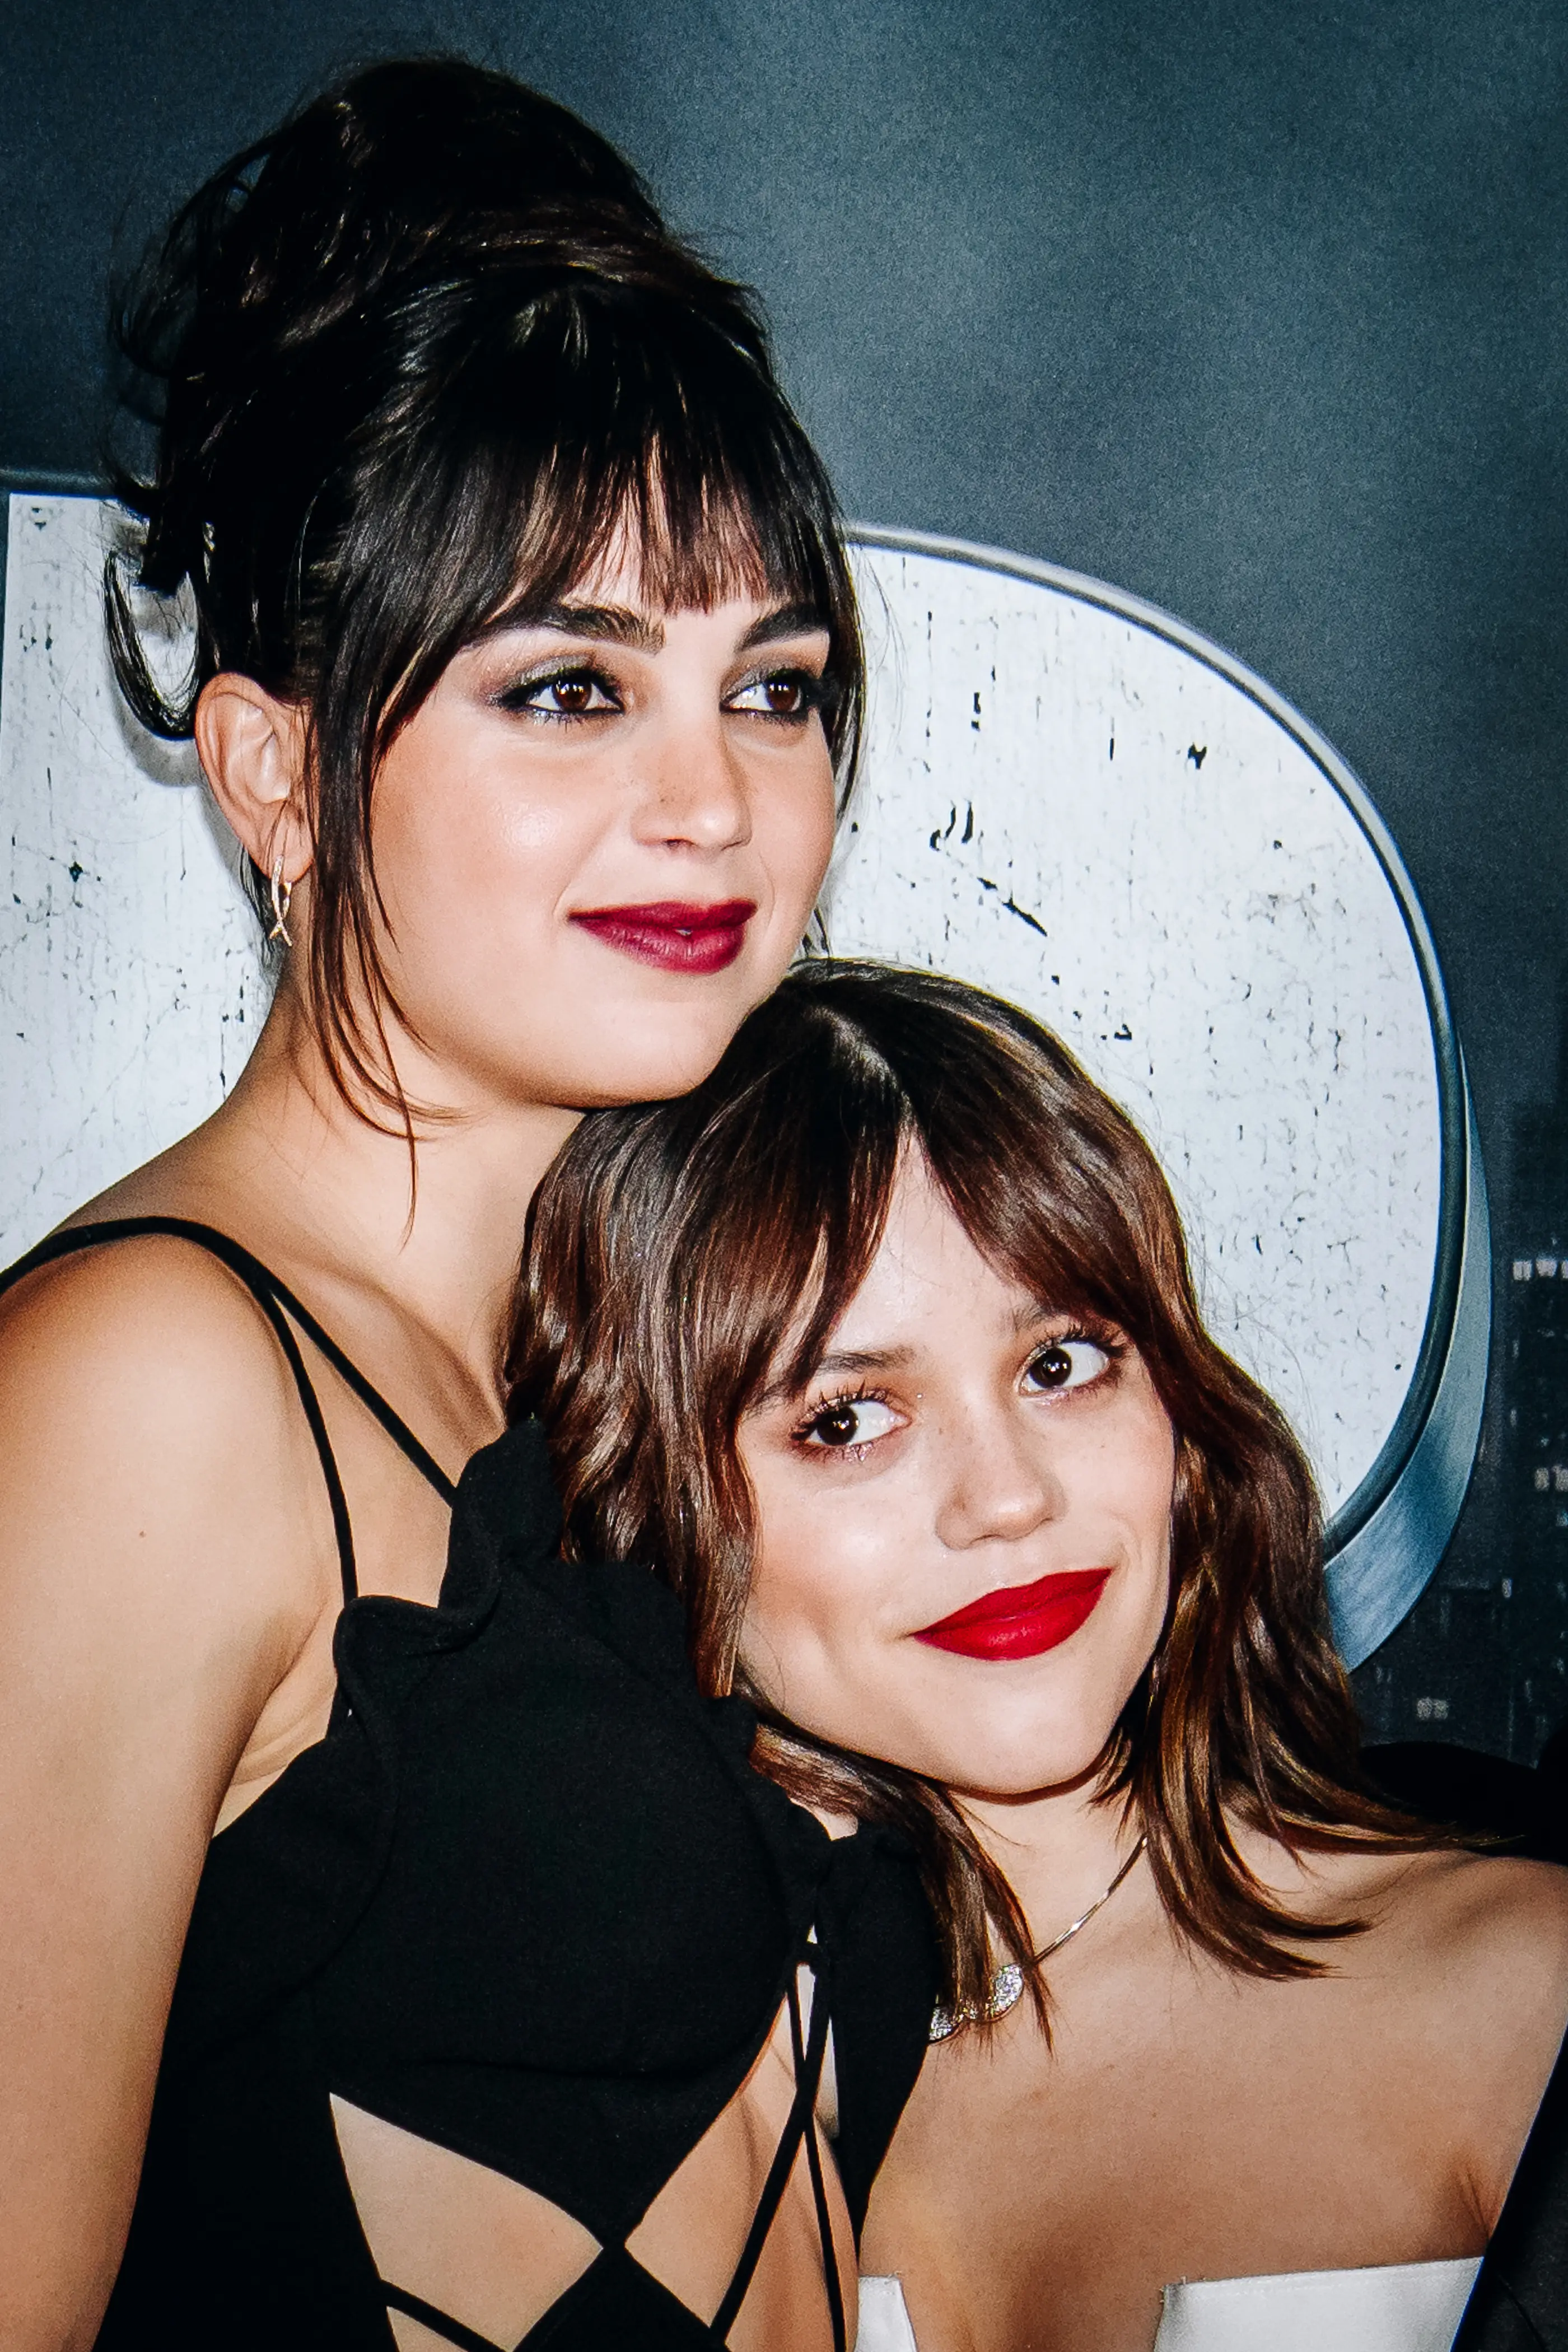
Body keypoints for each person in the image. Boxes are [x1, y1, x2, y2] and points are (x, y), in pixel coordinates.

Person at [0, 63, 940, 2352]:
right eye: (571, 689)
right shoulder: (147, 1395)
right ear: (275, 771)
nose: (714, 800)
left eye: (774, 687)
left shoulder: (638, 1358)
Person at [507, 958, 1568, 2352]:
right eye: (846, 1419)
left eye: (1058, 1364)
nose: (1007, 1498)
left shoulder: (1525, 1990)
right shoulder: (594, 2108)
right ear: (652, 1508)